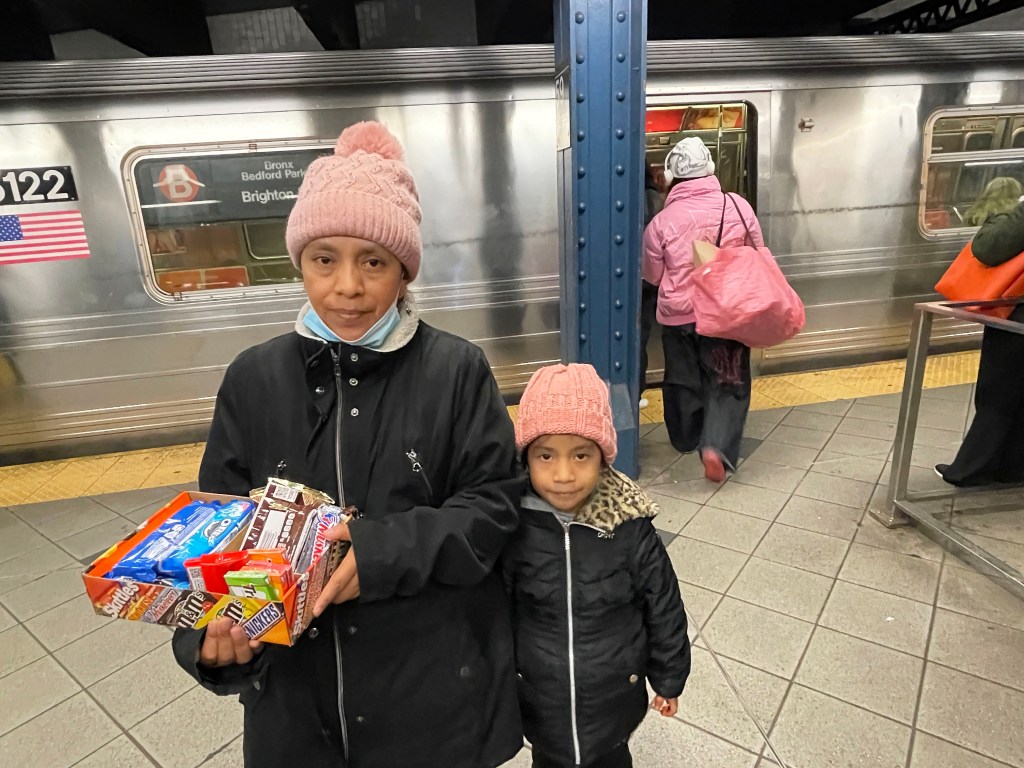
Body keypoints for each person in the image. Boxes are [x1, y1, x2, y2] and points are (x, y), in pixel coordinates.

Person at [171, 122, 523, 768]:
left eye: (374, 261)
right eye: (323, 258)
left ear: (403, 270)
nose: (348, 287)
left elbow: (495, 508)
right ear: (299, 262)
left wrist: (381, 552)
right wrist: (206, 634)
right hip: (297, 712)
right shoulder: (253, 378)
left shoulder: (455, 370)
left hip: (430, 702)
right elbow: (216, 531)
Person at [503, 363, 691, 768]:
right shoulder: (512, 527)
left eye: (581, 455)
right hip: (540, 700)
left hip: (613, 700)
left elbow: (664, 607)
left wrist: (669, 677)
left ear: (603, 458)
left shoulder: (629, 528)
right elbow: (493, 610)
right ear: (526, 459)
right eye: (546, 455)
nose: (564, 474)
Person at [643, 137, 765, 483]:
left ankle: (685, 438)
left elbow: (652, 275)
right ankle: (716, 447)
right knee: (728, 381)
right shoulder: (738, 206)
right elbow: (757, 250)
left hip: (679, 316)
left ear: (671, 176)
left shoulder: (662, 223)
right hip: (726, 314)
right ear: (710, 170)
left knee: (683, 379)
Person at [937, 196, 1024, 487]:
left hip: (1018, 318)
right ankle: (1013, 467)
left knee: (999, 391)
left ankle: (971, 469)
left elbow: (990, 247)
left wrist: (1011, 210)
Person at [638, 165, 665, 410]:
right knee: (640, 338)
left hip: (625, 279)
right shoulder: (657, 200)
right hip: (647, 282)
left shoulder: (624, 196)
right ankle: (637, 391)